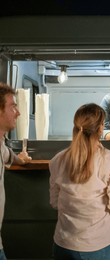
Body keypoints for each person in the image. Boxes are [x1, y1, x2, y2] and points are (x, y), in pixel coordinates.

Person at [49, 103, 110, 260]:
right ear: (100, 129)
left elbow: (55, 202)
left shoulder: (57, 160)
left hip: (63, 244)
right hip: (98, 246)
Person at [0, 82, 32, 260]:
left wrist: (21, 159)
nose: (18, 113)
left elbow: (8, 155)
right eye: (13, 107)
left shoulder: (1, 144)